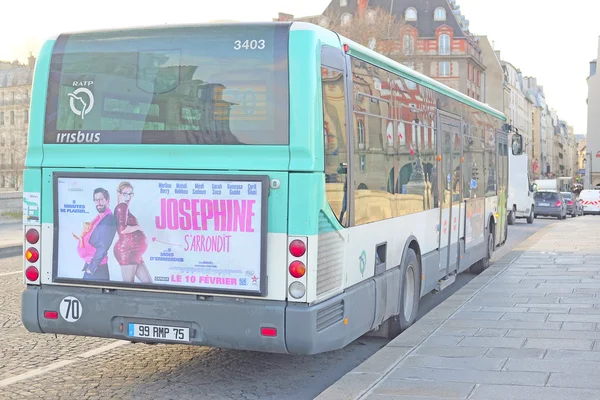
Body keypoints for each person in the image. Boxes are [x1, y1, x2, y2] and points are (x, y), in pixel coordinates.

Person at [113, 181, 151, 283]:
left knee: (148, 283)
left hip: (134, 252)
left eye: (130, 194)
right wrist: (138, 227)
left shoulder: (124, 208)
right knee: (128, 285)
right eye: (125, 193)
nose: (128, 197)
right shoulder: (122, 206)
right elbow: (123, 230)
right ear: (119, 193)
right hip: (128, 251)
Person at [77, 188, 117, 281]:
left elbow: (103, 247)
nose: (98, 203)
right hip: (93, 267)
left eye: (101, 199)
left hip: (97, 270)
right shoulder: (99, 218)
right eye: (96, 200)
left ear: (108, 200)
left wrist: (91, 268)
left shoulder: (109, 220)